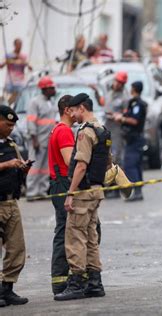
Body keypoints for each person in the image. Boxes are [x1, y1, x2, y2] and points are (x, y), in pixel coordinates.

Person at [55, 93, 111, 301]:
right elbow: (107, 162)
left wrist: (70, 193)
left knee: (75, 237)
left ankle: (76, 282)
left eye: (73, 110)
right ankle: (95, 283)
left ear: (81, 108)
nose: (72, 115)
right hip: (96, 190)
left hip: (83, 192)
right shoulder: (102, 129)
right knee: (91, 238)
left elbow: (80, 165)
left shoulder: (85, 132)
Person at [0, 105, 31, 307]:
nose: (11, 128)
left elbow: (18, 170)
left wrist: (23, 168)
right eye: (7, 124)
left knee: (16, 248)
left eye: (13, 126)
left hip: (12, 202)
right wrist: (6, 164)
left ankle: (7, 288)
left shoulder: (11, 145)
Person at [48, 95, 76, 294]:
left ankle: (60, 280)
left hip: (58, 184)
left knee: (63, 231)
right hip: (63, 185)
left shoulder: (58, 129)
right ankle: (62, 281)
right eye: (75, 108)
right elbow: (70, 162)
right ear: (67, 109)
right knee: (66, 232)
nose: (77, 111)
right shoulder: (64, 131)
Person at [113, 81, 147, 201]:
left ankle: (137, 191)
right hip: (130, 138)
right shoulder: (132, 102)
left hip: (135, 138)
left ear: (134, 89)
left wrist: (122, 118)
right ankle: (137, 191)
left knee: (131, 165)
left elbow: (134, 121)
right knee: (135, 165)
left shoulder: (138, 104)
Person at [26, 76, 58, 200]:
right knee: (34, 166)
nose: (54, 90)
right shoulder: (35, 102)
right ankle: (32, 192)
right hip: (37, 140)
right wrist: (34, 139)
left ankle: (42, 191)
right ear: (44, 89)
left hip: (48, 139)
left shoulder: (50, 102)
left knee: (45, 167)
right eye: (51, 88)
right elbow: (31, 121)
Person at [104, 71, 129, 168]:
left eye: (121, 83)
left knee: (116, 154)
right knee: (107, 151)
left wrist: (118, 115)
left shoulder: (124, 97)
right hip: (107, 127)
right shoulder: (109, 92)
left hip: (117, 130)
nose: (117, 84)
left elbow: (126, 114)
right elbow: (103, 103)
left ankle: (119, 176)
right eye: (117, 81)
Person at [0, 38, 32, 104]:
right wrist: (7, 61)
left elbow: (30, 67)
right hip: (10, 81)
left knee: (20, 98)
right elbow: (1, 66)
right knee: (6, 97)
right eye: (18, 45)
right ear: (15, 45)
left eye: (21, 45)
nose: (20, 46)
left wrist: (26, 63)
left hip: (20, 82)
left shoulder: (23, 56)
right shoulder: (9, 55)